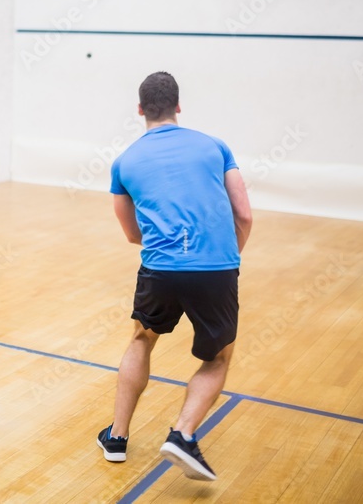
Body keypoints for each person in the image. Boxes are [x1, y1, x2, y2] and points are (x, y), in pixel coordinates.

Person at [96, 72, 252, 481]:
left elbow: (132, 234)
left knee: (141, 339)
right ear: (178, 106)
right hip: (215, 269)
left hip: (159, 269)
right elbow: (244, 213)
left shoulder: (125, 161)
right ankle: (182, 435)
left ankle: (116, 437)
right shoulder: (216, 147)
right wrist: (226, 256)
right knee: (217, 358)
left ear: (140, 109)